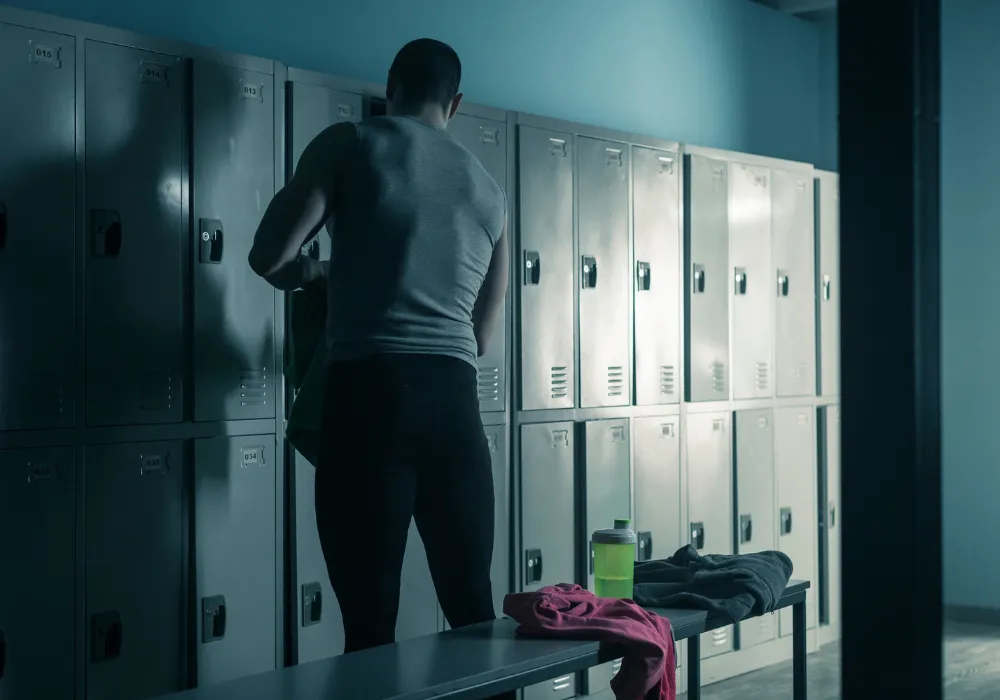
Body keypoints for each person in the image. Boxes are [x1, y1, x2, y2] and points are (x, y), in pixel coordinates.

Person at [248, 38, 509, 657]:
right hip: (455, 407)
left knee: (369, 627)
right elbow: (481, 337)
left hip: (370, 401)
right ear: (458, 102)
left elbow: (270, 256)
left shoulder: (351, 143)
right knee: (473, 607)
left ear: (390, 85)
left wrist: (322, 273)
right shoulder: (489, 190)